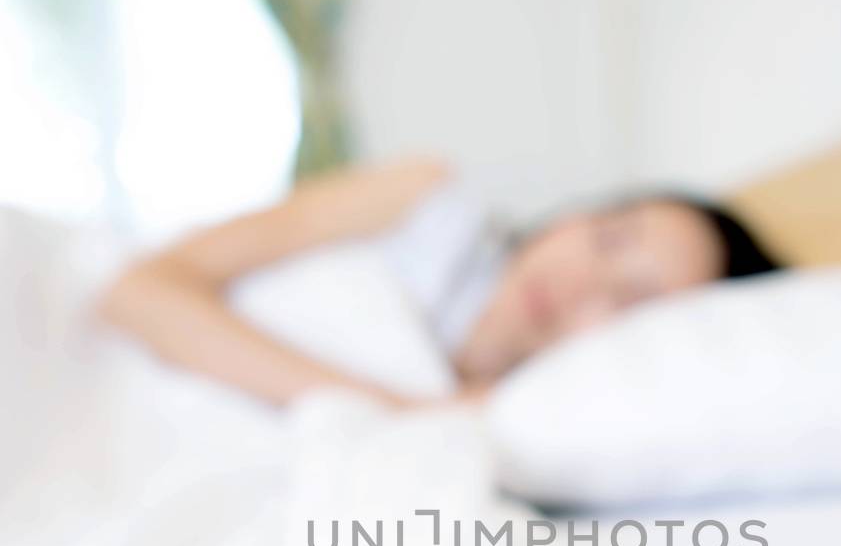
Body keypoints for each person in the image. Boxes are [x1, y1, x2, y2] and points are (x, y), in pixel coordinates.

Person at [98, 158, 783, 407]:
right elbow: (137, 292)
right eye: (606, 236)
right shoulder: (424, 204)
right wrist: (388, 411)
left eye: (631, 300)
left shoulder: (534, 420)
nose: (581, 278)